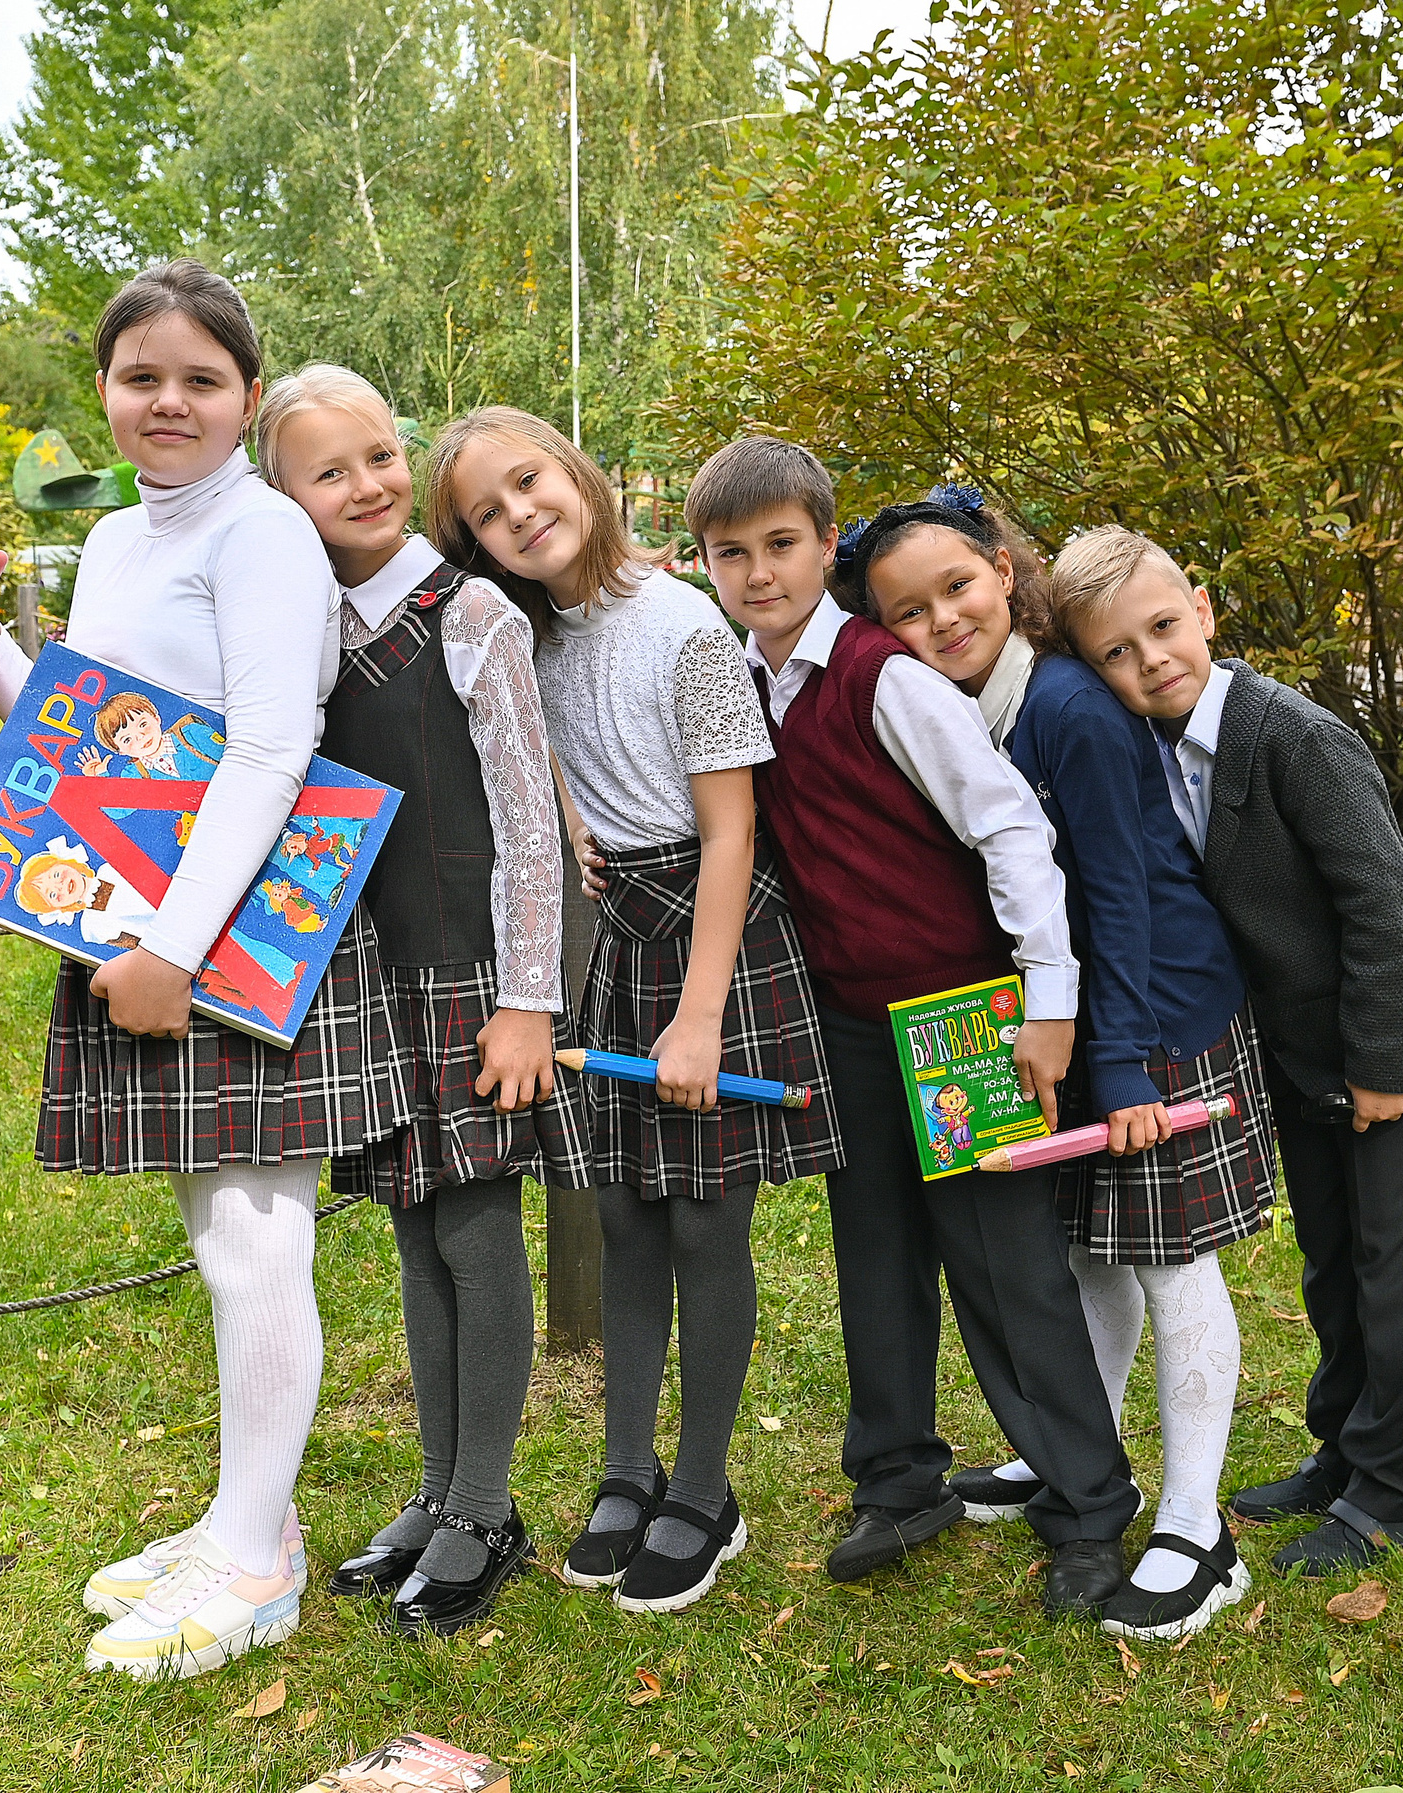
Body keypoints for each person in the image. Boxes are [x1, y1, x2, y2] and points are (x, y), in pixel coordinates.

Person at [0, 261, 409, 1678]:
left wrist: (175, 948)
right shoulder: (121, 537)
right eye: (141, 377)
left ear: (249, 396)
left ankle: (254, 1565)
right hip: (147, 919)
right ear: (107, 395)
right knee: (220, 1231)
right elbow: (100, 733)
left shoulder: (259, 536)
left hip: (225, 929)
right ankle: (252, 1519)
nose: (169, 401)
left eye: (201, 378)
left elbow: (265, 748)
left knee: (256, 1237)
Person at [690, 437, 1139, 1621]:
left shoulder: (881, 674)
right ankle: (897, 1478)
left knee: (1005, 1267)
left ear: (824, 545)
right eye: (728, 553)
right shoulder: (739, 680)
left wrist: (1049, 1002)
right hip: (847, 1018)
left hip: (961, 1015)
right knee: (875, 1254)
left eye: (780, 545)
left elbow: (1009, 830)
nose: (757, 572)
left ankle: (1090, 1504)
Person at [430, 408, 842, 1614]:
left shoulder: (682, 623)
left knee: (707, 1221)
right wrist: (577, 829)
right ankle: (626, 1467)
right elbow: (553, 764)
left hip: (715, 941)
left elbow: (731, 830)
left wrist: (702, 1014)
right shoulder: (524, 634)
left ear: (573, 470)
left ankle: (705, 1488)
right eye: (487, 515)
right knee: (620, 1218)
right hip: (623, 929)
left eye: (528, 481)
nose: (520, 515)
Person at [860, 491, 1278, 1637]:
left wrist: (1133, 1064)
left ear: (1004, 571)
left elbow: (1124, 893)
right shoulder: (961, 708)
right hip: (1074, 1020)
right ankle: (1079, 1455)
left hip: (1156, 1018)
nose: (941, 619)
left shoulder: (1067, 709)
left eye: (957, 587)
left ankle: (1199, 1526)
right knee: (1095, 1251)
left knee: (1169, 1261)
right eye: (906, 611)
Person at [1049, 526, 1403, 1578]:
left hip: (1391, 1043)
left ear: (1201, 607)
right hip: (1303, 1049)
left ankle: (1394, 1493)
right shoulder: (1152, 742)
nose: (1149, 658)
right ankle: (1341, 1450)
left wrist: (1382, 1065)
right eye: (1116, 650)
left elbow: (1383, 906)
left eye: (1161, 627)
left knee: (1395, 1265)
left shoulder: (1295, 737)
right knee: (1333, 1257)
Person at [254, 364, 590, 1636]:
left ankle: (488, 1508)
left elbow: (526, 826)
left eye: (381, 456)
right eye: (328, 470)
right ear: (286, 498)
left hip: (470, 976)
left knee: (474, 1231)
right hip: (366, 980)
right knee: (411, 1229)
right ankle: (442, 1490)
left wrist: (528, 999)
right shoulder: (305, 636)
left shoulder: (472, 617)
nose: (368, 485)